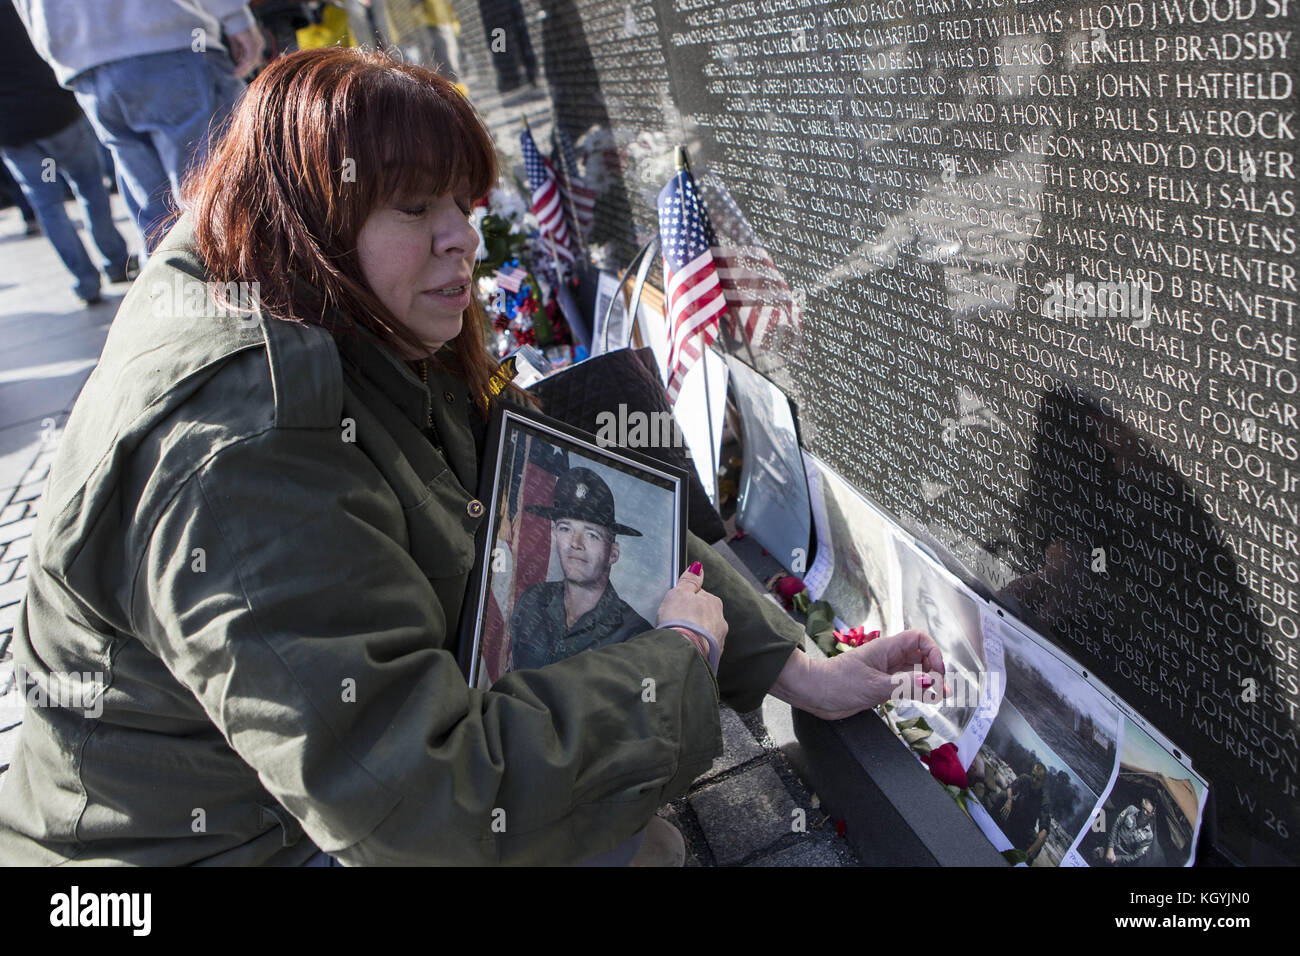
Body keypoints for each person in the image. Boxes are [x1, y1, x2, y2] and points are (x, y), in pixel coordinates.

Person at [0, 48, 946, 866]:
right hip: (218, 848)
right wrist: (676, 665)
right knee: (613, 831)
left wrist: (792, 668)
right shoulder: (242, 456)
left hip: (297, 808)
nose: (463, 238)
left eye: (462, 201)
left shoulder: (334, 304)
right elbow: (419, 805)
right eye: (416, 208)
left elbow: (559, 479)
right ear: (318, 218)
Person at [13, 0, 264, 255]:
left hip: (85, 64)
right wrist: (236, 18)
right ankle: (231, 281)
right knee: (216, 196)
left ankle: (173, 287)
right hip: (163, 39)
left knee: (158, 210)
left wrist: (59, 55)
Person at [0, 2, 135, 303]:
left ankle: (85, 282)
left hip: (14, 132)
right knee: (89, 187)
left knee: (48, 205)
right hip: (55, 112)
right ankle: (115, 261)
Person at [509, 467, 652, 670]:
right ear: (554, 535)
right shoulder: (531, 601)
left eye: (592, 535)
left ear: (613, 553)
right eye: (565, 529)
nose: (576, 543)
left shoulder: (636, 635)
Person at [997, 762, 1053, 864]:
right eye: (1033, 776)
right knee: (1003, 796)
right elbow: (1010, 787)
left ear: (1043, 782)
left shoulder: (1044, 799)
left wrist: (1037, 844)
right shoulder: (1024, 778)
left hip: (1025, 828)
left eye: (1038, 779)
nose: (1034, 780)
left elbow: (1044, 828)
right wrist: (1009, 800)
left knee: (1037, 842)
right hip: (1013, 814)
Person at [1096, 798, 1157, 866]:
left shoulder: (1149, 835)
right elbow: (1116, 825)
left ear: (1152, 814)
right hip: (1108, 846)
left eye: (1148, 812)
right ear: (1142, 805)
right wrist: (1110, 847)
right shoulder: (1131, 810)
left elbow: (1136, 856)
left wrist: (1116, 859)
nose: (1144, 812)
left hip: (1119, 861)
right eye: (1144, 808)